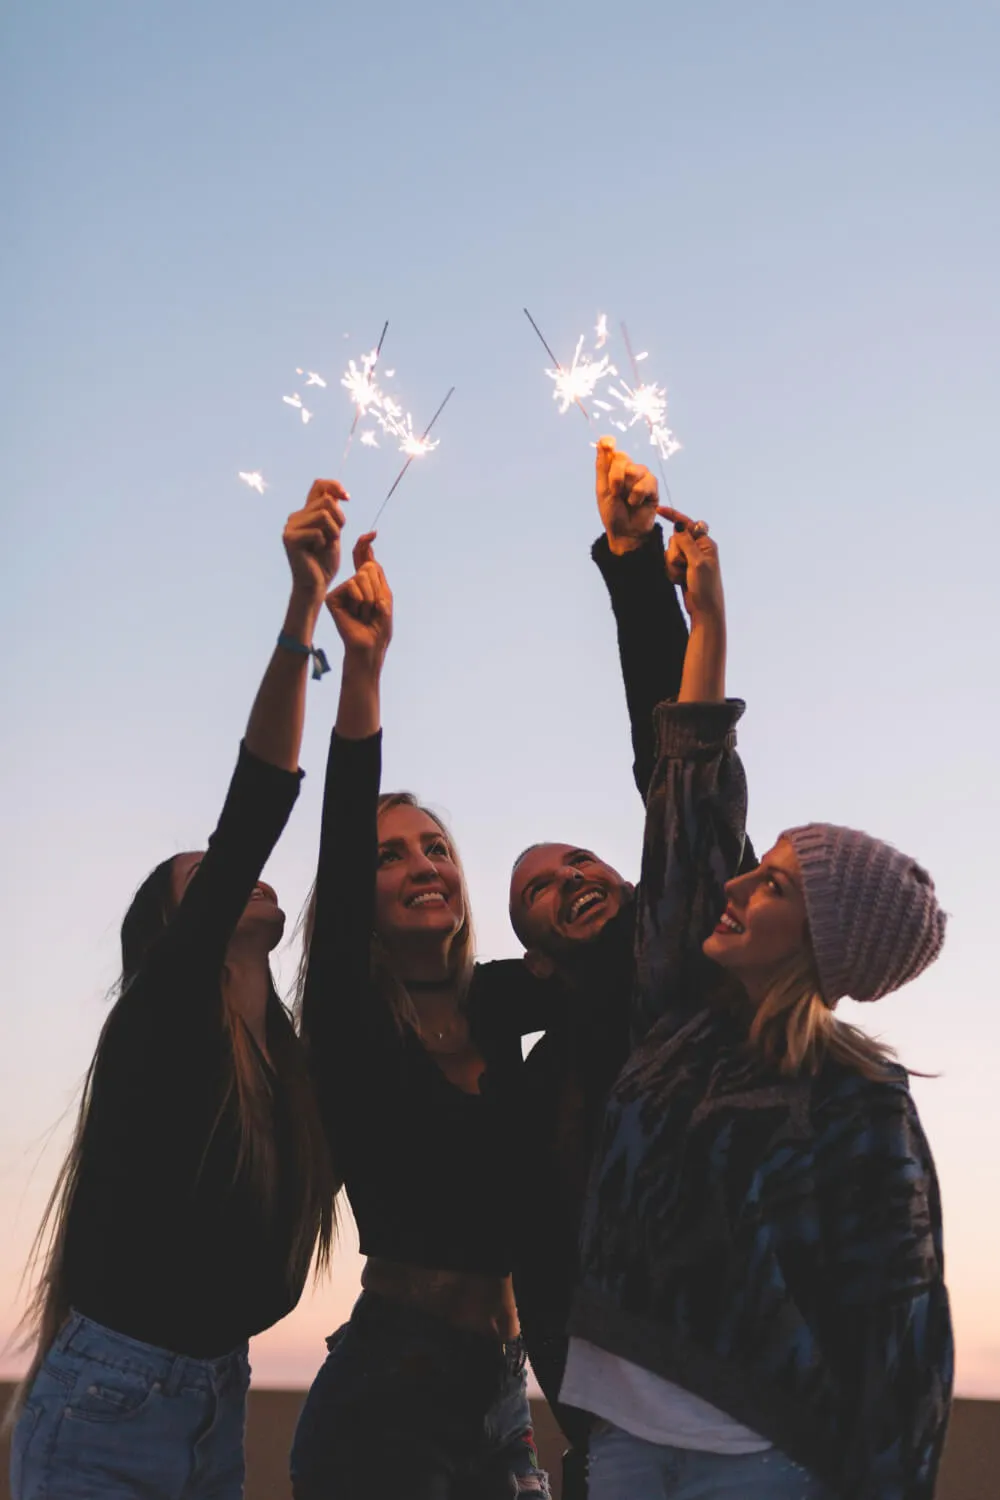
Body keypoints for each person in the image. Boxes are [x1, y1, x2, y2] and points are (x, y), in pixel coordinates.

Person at [560, 525, 953, 1498]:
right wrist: (706, 619)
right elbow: (691, 795)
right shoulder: (678, 1014)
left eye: (771, 884)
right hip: (615, 1440)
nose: (735, 884)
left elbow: (898, 1336)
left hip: (760, 1460)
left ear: (823, 939)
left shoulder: (858, 1098)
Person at [9, 481, 346, 1500]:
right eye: (202, 871)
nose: (229, 865)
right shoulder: (160, 1017)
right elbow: (257, 801)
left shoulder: (285, 1068)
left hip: (213, 1393)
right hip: (112, 1396)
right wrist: (302, 612)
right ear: (173, 930)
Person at [290, 536, 551, 1498]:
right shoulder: (352, 1028)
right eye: (390, 855)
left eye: (433, 847)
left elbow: (622, 952)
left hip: (505, 1391)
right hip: (387, 1400)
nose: (422, 865)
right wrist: (364, 667)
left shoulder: (496, 1005)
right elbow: (347, 805)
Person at [508, 438, 742, 1493]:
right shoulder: (541, 1080)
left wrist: (634, 559)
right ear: (535, 957)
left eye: (580, 858)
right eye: (539, 891)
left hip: (749, 1413)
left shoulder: (689, 954)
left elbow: (672, 763)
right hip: (615, 1444)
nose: (571, 877)